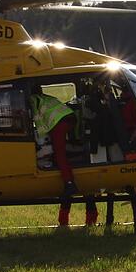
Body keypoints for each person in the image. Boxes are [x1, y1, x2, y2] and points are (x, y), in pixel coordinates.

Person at [31, 86, 98, 226]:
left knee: (59, 154)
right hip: (70, 118)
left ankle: (69, 182)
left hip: (59, 124)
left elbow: (38, 121)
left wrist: (41, 138)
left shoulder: (33, 100)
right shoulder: (46, 98)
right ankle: (86, 221)